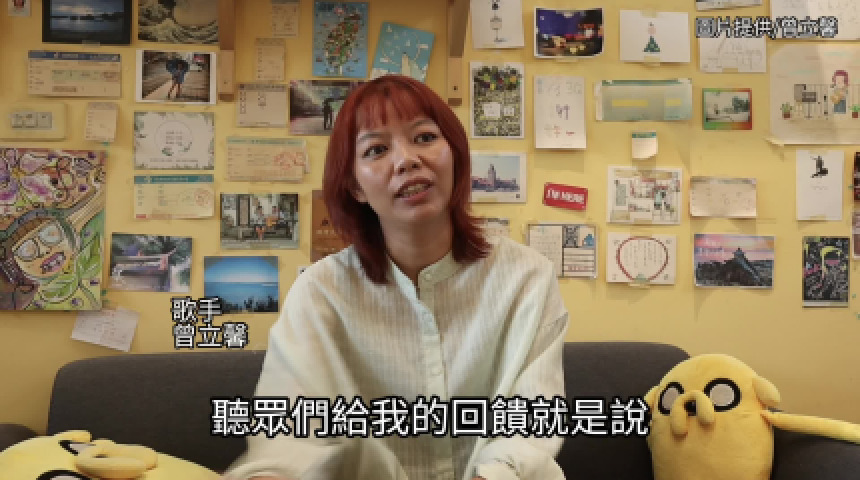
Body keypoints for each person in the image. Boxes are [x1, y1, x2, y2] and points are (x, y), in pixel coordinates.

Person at [225, 75, 568, 480]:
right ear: (355, 186)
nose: (406, 160)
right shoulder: (320, 294)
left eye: (424, 137)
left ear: (454, 156)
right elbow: (287, 441)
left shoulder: (526, 278)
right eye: (376, 149)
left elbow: (530, 429)